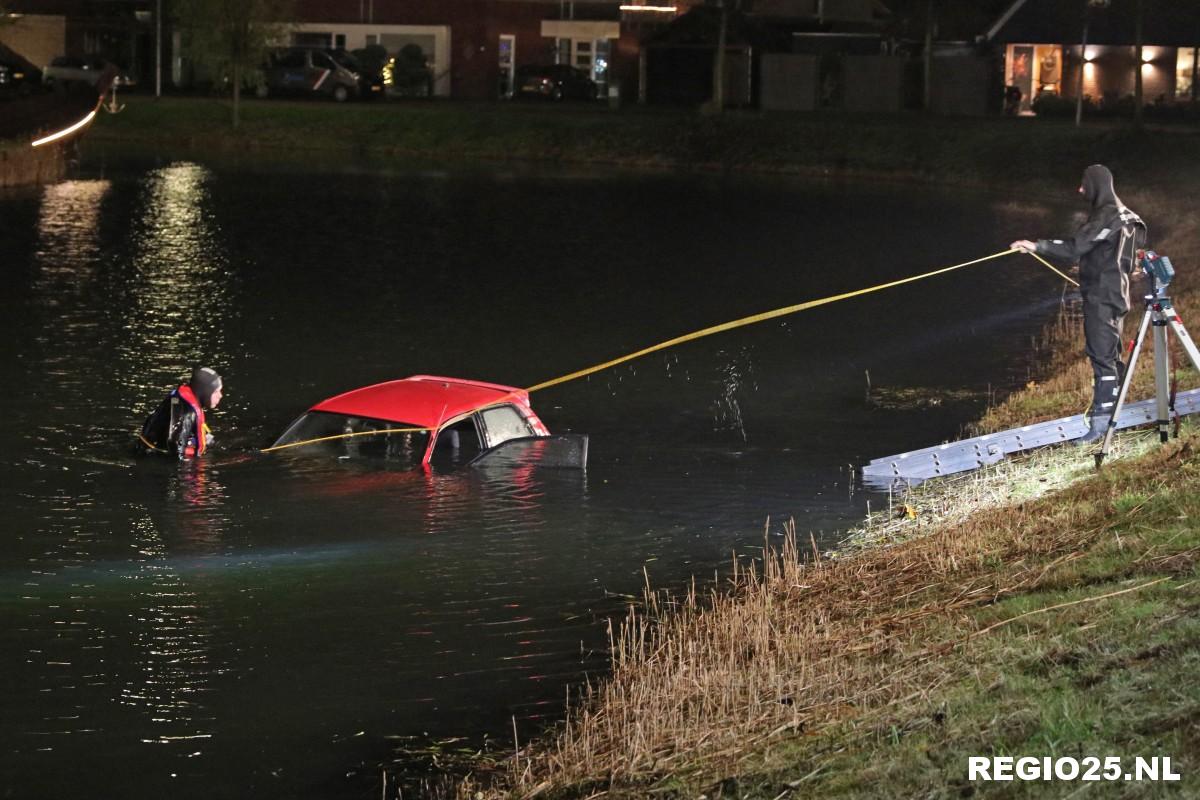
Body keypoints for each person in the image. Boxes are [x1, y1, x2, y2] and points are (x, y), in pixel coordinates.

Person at [1011, 164, 1146, 444]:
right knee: (1110, 352)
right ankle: (1114, 415)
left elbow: (1075, 247)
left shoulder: (1107, 215)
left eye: (1084, 184)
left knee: (1101, 355)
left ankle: (1100, 427)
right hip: (1116, 294)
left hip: (1102, 296)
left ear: (1096, 185)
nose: (1080, 189)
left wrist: (1036, 245)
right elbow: (1135, 256)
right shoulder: (1130, 217)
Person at [139, 366, 224, 459]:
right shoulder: (186, 414)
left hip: (147, 447)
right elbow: (175, 446)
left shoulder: (180, 398)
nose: (220, 395)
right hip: (155, 458)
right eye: (216, 391)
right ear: (204, 392)